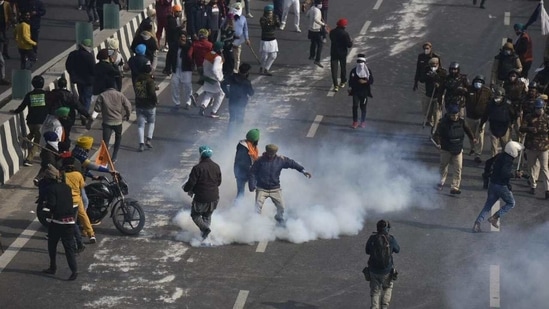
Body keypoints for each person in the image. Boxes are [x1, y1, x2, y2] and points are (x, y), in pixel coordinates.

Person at [248, 144, 312, 225]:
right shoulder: (259, 160)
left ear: (275, 153)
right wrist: (252, 184)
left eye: (272, 153)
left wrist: (304, 171)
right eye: (269, 153)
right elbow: (252, 173)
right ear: (266, 152)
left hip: (275, 189)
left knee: (281, 207)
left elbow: (292, 164)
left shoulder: (281, 160)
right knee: (257, 208)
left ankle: (278, 218)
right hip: (261, 188)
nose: (270, 155)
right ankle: (255, 225)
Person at [473, 141, 524, 233]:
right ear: (513, 151)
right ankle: (495, 217)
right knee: (511, 203)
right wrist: (515, 175)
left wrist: (487, 175)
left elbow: (488, 162)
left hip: (492, 183)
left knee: (488, 205)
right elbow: (504, 174)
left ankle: (477, 223)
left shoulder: (500, 155)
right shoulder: (508, 160)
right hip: (501, 185)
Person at [38, 164, 78, 281]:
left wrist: (45, 208)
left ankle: (53, 267)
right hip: (70, 221)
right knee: (69, 247)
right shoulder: (66, 187)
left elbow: (52, 205)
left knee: (52, 244)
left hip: (57, 222)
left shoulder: (51, 189)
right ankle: (74, 270)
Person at [432, 104, 476, 194]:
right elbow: (436, 135)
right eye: (453, 115)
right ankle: (440, 182)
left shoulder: (461, 122)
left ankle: (455, 187)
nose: (455, 117)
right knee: (443, 166)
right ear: (449, 114)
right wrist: (438, 143)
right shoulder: (443, 122)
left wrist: (473, 138)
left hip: (458, 149)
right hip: (446, 149)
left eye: (456, 115)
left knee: (458, 168)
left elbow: (468, 130)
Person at [182, 145, 222, 241]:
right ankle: (205, 237)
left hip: (201, 198)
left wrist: (186, 189)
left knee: (195, 215)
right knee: (207, 216)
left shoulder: (197, 168)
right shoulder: (216, 166)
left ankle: (205, 229)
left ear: (201, 155)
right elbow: (219, 182)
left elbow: (191, 183)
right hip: (214, 197)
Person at [87, 79, 132, 163]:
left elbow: (97, 109)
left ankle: (104, 157)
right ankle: (114, 157)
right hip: (118, 121)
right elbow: (128, 105)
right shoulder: (120, 95)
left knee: (105, 141)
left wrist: (90, 121)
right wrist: (128, 115)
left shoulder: (102, 95)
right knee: (118, 138)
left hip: (107, 122)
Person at [10, 75, 48, 166]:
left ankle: (25, 141)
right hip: (41, 122)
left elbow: (22, 107)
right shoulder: (46, 95)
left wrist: (15, 111)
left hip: (30, 121)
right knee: (37, 141)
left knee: (32, 133)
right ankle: (29, 159)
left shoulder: (29, 95)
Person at [61, 155, 95, 246]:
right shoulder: (78, 174)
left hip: (67, 200)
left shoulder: (62, 175)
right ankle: (91, 234)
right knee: (83, 215)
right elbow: (82, 186)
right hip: (78, 199)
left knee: (68, 220)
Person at [365, 219, 400, 309]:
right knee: (387, 287)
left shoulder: (372, 238)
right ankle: (384, 307)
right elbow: (397, 250)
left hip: (373, 270)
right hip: (387, 271)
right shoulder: (390, 239)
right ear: (387, 228)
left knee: (375, 292)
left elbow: (367, 251)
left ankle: (374, 307)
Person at [519, 99, 549, 198]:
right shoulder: (529, 117)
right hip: (532, 146)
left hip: (544, 147)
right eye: (537, 108)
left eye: (540, 108)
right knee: (531, 167)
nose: (539, 110)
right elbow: (521, 128)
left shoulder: (547, 117)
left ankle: (547, 189)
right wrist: (529, 129)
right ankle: (533, 185)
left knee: (544, 168)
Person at [48, 76, 91, 141]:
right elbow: (78, 106)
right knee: (66, 134)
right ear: (66, 85)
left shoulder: (52, 94)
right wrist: (87, 115)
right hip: (68, 118)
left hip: (55, 117)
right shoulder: (70, 96)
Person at [480, 86, 515, 157]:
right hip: (493, 127)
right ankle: (494, 161)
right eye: (495, 96)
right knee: (494, 147)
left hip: (504, 127)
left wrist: (512, 124)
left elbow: (513, 114)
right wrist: (481, 124)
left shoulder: (508, 104)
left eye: (498, 96)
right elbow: (485, 115)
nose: (497, 99)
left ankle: (504, 161)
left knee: (505, 146)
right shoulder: (490, 104)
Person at [66, 39, 95, 121]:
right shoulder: (89, 56)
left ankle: (82, 112)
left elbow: (68, 65)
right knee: (87, 98)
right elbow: (93, 69)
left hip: (78, 80)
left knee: (81, 97)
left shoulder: (73, 54)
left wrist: (73, 74)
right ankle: (84, 113)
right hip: (88, 81)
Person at [464, 75, 491, 163]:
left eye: (480, 82)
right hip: (470, 117)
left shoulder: (487, 91)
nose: (478, 84)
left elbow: (491, 101)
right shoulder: (469, 89)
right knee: (470, 134)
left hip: (481, 118)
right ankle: (473, 147)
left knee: (479, 135)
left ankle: (477, 154)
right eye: (476, 82)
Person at [222, 63, 254, 134]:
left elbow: (223, 84)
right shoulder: (246, 82)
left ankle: (229, 134)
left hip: (232, 100)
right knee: (240, 119)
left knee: (232, 118)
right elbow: (251, 93)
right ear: (247, 72)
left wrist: (227, 93)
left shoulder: (232, 77)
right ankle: (238, 134)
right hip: (242, 102)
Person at [167, 30, 195, 111]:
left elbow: (192, 55)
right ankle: (177, 103)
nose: (183, 39)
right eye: (181, 37)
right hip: (176, 69)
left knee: (187, 86)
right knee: (174, 84)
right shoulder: (174, 46)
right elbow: (169, 57)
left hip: (186, 70)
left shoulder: (189, 46)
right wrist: (168, 68)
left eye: (184, 37)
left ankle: (188, 102)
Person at [198, 41, 225, 118]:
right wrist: (219, 78)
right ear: (219, 49)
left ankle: (203, 106)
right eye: (221, 48)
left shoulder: (208, 54)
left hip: (207, 77)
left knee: (209, 93)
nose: (222, 49)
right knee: (222, 93)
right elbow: (215, 69)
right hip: (215, 79)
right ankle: (214, 112)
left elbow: (204, 64)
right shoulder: (218, 57)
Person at [134, 65, 158, 152]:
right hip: (149, 105)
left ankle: (141, 144)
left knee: (140, 126)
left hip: (139, 105)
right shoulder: (150, 81)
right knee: (151, 122)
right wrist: (155, 101)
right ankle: (148, 139)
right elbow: (152, 93)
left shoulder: (137, 79)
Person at [348, 54, 373, 128]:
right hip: (356, 92)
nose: (360, 64)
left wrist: (365, 82)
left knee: (363, 107)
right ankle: (355, 121)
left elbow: (371, 80)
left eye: (361, 62)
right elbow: (350, 81)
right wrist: (350, 88)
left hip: (364, 92)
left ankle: (363, 121)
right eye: (359, 62)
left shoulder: (368, 72)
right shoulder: (353, 71)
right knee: (355, 106)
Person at [422, 57, 447, 132]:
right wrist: (428, 76)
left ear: (438, 64)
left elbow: (445, 82)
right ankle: (430, 121)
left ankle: (435, 130)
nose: (433, 66)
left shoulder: (443, 72)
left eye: (434, 65)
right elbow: (422, 79)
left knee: (437, 113)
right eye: (431, 65)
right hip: (428, 94)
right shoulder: (427, 70)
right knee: (426, 111)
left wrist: (437, 80)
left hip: (438, 95)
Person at [234, 129, 259, 199]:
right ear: (254, 139)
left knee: (241, 192)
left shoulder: (250, 146)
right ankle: (238, 207)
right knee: (241, 192)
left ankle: (241, 206)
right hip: (242, 173)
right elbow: (243, 163)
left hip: (246, 172)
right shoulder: (244, 148)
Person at [329, 18, 352, 92]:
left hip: (334, 52)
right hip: (342, 53)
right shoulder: (345, 34)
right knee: (343, 67)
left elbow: (331, 38)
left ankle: (335, 85)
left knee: (334, 69)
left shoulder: (332, 32)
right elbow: (349, 45)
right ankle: (342, 81)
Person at [259, 4, 280, 76]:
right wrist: (269, 22)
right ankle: (262, 67)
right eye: (268, 12)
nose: (270, 14)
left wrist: (276, 21)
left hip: (272, 38)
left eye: (271, 12)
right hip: (265, 39)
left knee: (274, 55)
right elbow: (264, 27)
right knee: (264, 56)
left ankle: (266, 68)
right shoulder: (262, 19)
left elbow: (278, 25)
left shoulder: (275, 17)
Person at [231, 2, 250, 74]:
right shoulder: (229, 17)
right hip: (230, 40)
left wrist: (247, 38)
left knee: (237, 56)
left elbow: (245, 30)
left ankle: (236, 70)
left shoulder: (243, 18)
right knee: (229, 56)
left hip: (238, 40)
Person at [306, 0, 325, 68]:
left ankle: (311, 55)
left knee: (313, 42)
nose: (321, 4)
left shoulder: (312, 8)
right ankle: (317, 59)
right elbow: (316, 19)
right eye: (320, 3)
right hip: (316, 30)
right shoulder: (317, 10)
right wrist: (322, 24)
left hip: (310, 29)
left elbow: (307, 15)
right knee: (320, 45)